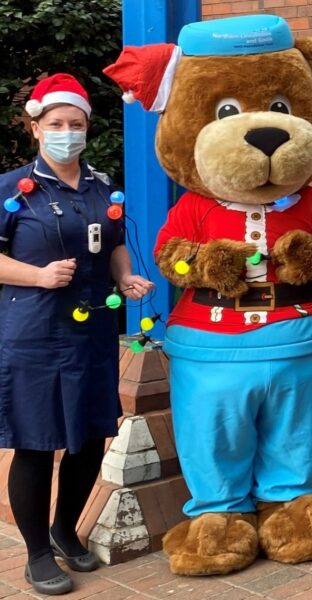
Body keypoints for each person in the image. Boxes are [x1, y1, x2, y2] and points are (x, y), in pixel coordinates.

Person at [0, 74, 154, 595]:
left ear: (87, 128)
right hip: (35, 334)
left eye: (76, 124)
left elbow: (111, 243)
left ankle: (65, 532)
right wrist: (38, 276)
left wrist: (125, 275)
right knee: (38, 442)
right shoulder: (12, 189)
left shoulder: (100, 187)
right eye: (56, 123)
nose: (67, 131)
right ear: (36, 127)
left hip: (91, 333)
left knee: (90, 436)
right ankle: (37, 553)